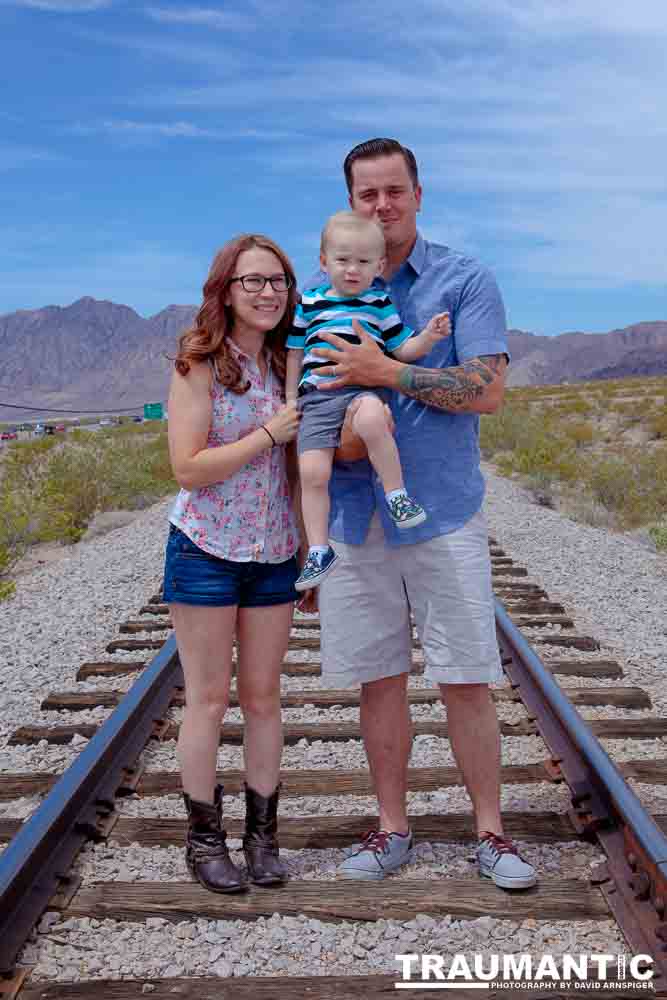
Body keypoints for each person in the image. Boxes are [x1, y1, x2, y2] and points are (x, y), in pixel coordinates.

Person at [310, 138, 537, 889]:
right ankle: (391, 829)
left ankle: (492, 834)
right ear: (350, 200)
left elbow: (486, 390)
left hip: (440, 507)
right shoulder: (324, 291)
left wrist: (389, 373)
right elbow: (304, 397)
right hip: (351, 514)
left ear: (417, 192)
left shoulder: (462, 279)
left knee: (466, 675)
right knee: (379, 678)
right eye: (366, 194)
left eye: (393, 192)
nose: (381, 206)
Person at [163, 233, 305, 893]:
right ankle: (203, 842)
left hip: (274, 553)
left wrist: (311, 547)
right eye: (253, 280)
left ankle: (262, 839)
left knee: (264, 698)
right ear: (226, 289)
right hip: (206, 552)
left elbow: (302, 468)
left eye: (277, 280)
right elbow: (188, 468)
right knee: (209, 699)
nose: (267, 291)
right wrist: (264, 434)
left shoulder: (291, 363)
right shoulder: (198, 364)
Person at [286, 210, 450, 590]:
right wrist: (288, 398)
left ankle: (397, 495)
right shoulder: (309, 303)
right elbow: (294, 352)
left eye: (362, 262)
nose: (352, 270)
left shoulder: (379, 304)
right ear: (324, 261)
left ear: (378, 266)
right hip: (316, 401)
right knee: (313, 474)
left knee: (375, 420)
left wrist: (427, 337)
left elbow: (402, 348)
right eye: (342, 260)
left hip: (362, 393)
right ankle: (318, 550)